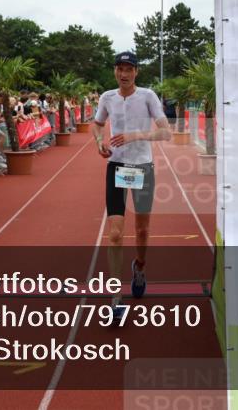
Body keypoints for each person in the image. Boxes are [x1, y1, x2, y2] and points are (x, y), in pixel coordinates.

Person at [92, 51, 172, 324]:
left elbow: (166, 132)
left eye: (129, 69)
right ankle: (116, 297)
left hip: (142, 167)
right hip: (116, 167)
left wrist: (136, 135)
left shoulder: (148, 96)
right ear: (114, 71)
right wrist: (99, 142)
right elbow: (97, 124)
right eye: (120, 68)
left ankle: (139, 267)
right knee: (115, 234)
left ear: (136, 72)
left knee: (142, 230)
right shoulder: (107, 97)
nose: (124, 74)